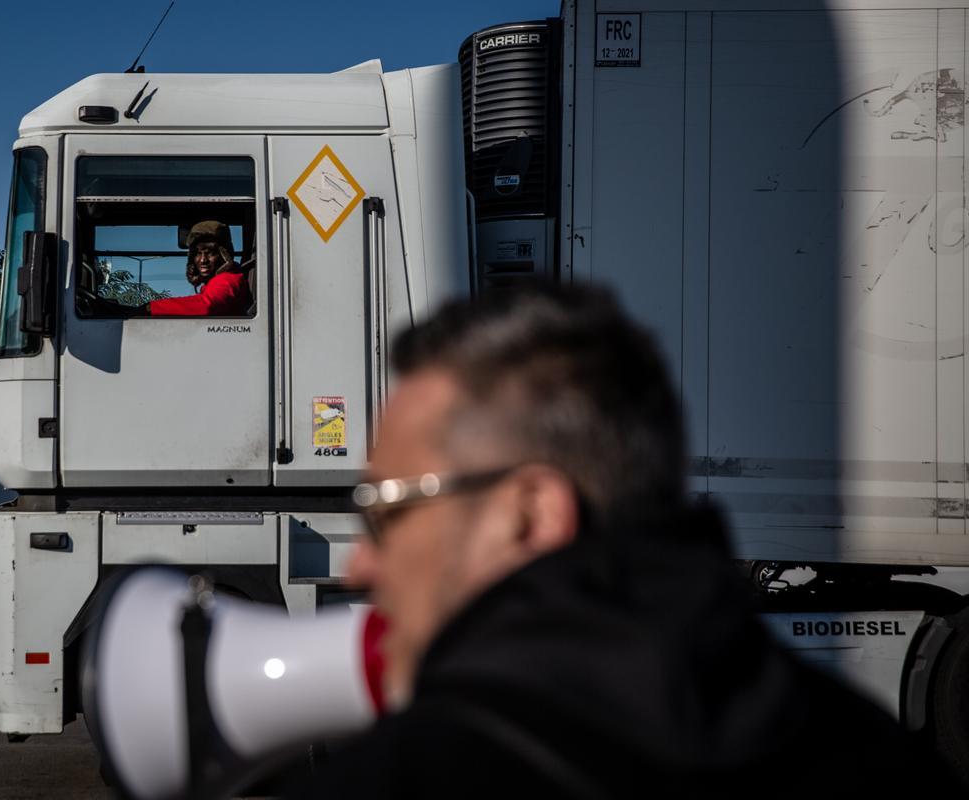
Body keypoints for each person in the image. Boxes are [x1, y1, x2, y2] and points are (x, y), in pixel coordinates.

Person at [285, 283, 957, 798]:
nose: (361, 562)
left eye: (386, 511)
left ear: (531, 514)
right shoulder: (874, 752)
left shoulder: (401, 779)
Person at [146, 220, 251, 316]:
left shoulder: (227, 279)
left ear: (224, 256)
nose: (203, 260)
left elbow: (207, 306)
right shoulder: (215, 282)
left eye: (210, 253)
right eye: (197, 254)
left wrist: (150, 308)